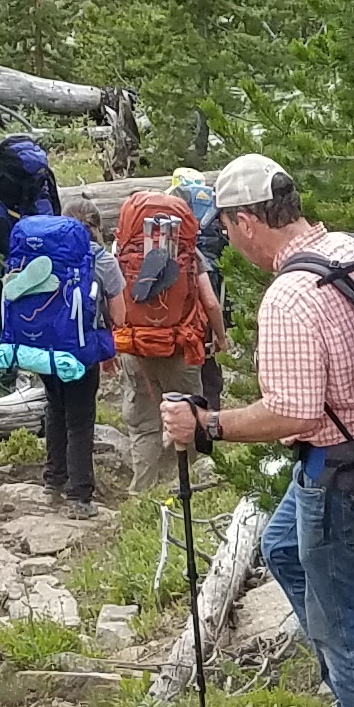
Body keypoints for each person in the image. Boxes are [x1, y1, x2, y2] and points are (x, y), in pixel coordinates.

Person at [160, 152, 354, 707]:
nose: (229, 239)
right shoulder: (350, 251)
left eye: (226, 226)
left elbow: (292, 414)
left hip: (338, 470)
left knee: (347, 621)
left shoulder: (289, 296)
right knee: (281, 549)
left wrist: (208, 423)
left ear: (246, 222)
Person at [112, 167, 228, 497]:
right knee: (191, 413)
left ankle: (142, 490)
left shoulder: (122, 251)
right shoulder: (190, 254)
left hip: (136, 347)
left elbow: (113, 299)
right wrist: (220, 338)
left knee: (145, 422)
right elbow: (211, 303)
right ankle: (182, 483)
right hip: (181, 345)